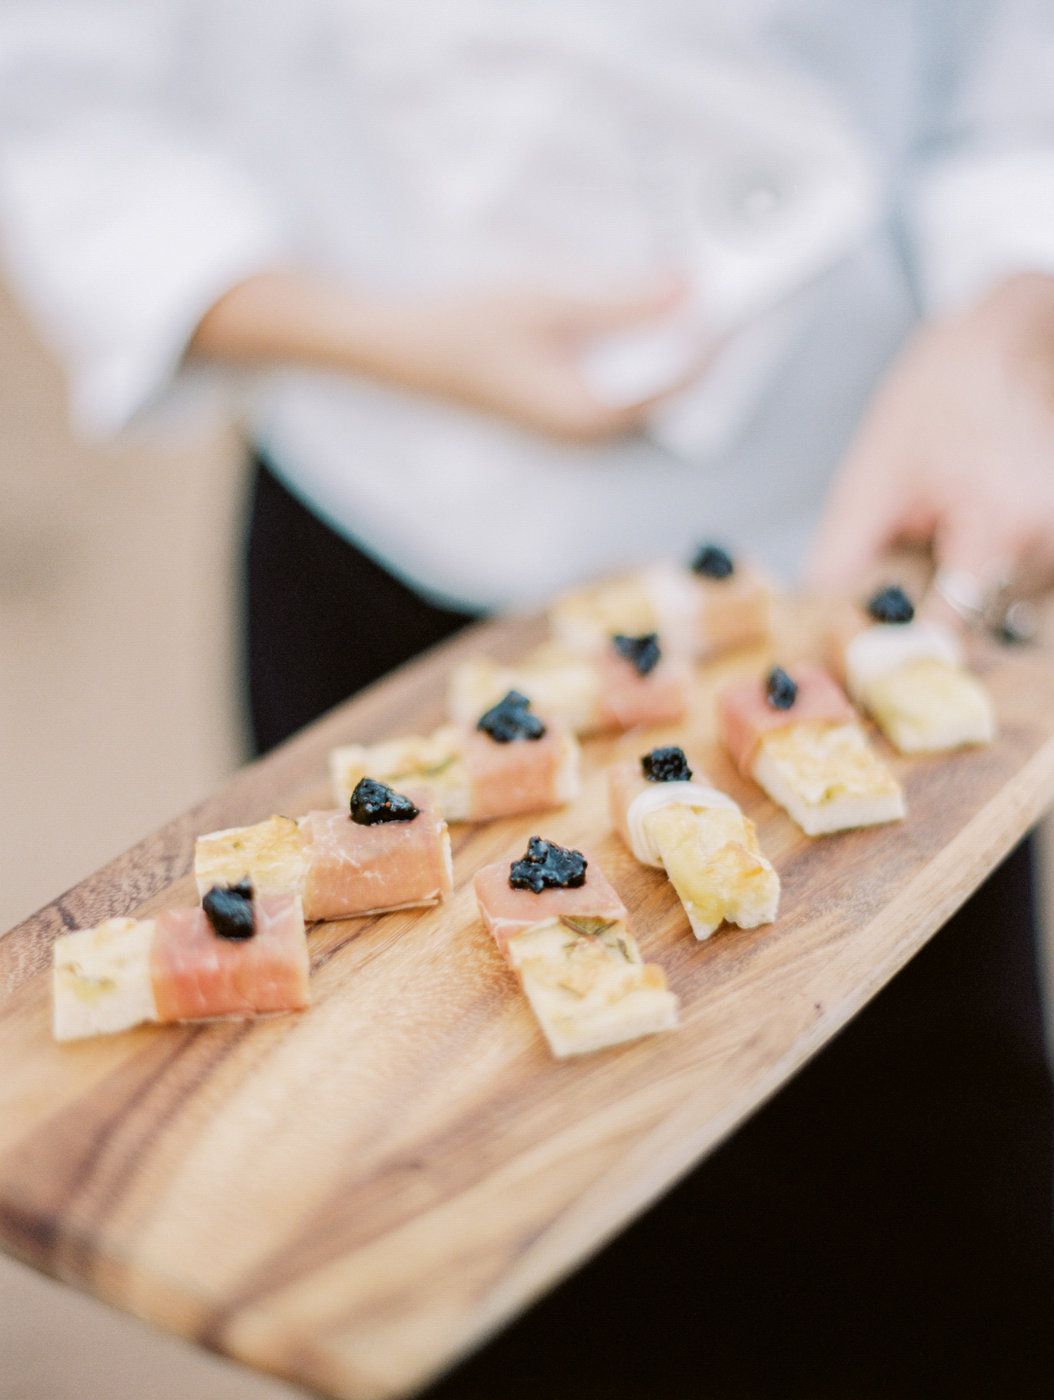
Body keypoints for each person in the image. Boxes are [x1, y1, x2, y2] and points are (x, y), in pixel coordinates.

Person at [0, 3, 1051, 1394]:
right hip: (401, 501)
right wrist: (382, 333)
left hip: (851, 494)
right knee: (448, 1221)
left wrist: (1009, 324)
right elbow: (66, 103)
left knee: (911, 1204)